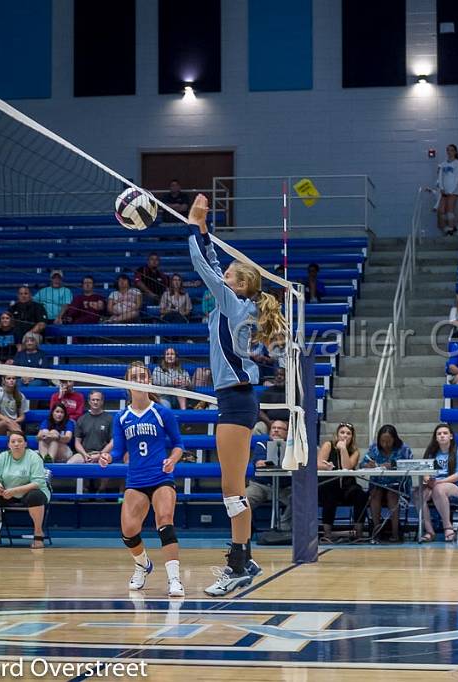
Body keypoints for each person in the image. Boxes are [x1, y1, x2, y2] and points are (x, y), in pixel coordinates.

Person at [187, 194, 286, 597]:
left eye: (228, 274)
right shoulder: (237, 304)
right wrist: (205, 227)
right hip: (237, 400)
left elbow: (201, 265)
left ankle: (238, 564)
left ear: (239, 284)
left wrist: (194, 225)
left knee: (232, 488)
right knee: (233, 486)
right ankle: (243, 556)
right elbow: (211, 265)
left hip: (237, 400)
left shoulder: (233, 303)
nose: (221, 276)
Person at [99, 362, 185, 596]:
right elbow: (118, 451)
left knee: (165, 521)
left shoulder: (162, 411)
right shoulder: (121, 416)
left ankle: (174, 580)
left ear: (149, 381)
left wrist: (173, 460)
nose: (138, 380)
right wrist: (108, 456)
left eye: (142, 376)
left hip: (160, 477)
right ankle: (142, 565)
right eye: (133, 376)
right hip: (136, 481)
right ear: (126, 383)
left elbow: (179, 445)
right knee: (128, 531)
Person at [0, 430, 50, 550]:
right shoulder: (3, 457)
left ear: (25, 444)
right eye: (13, 441)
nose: (16, 444)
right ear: (9, 445)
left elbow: (37, 483)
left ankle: (38, 533)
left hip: (30, 491)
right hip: (7, 492)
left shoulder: (34, 457)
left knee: (35, 496)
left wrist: (14, 491)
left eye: (20, 441)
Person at [417, 424, 458, 543]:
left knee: (439, 489)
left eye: (445, 433)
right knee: (417, 493)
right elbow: (425, 471)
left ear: (451, 436)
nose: (442, 436)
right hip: (434, 484)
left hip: (455, 485)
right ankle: (429, 531)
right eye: (439, 434)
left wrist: (438, 482)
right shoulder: (431, 453)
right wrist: (427, 480)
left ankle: (448, 527)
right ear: (435, 438)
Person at [362, 424, 412, 543]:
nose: (385, 444)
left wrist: (395, 465)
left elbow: (411, 465)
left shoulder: (403, 449)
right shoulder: (374, 448)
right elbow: (362, 463)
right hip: (378, 485)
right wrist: (367, 465)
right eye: (382, 441)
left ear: (394, 439)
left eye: (388, 441)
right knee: (374, 494)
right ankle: (376, 531)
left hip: (398, 486)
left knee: (392, 494)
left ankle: (395, 532)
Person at [248, 419, 294, 531]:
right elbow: (259, 463)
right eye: (274, 428)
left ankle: (283, 527)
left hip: (284, 487)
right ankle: (246, 530)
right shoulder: (262, 445)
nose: (276, 431)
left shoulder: (293, 448)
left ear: (287, 433)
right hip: (261, 485)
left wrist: (269, 463)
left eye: (280, 428)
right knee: (243, 501)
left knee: (298, 499)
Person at [72, 391, 113, 465]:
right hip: (84, 453)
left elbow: (113, 441)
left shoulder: (109, 419)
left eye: (98, 400)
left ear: (102, 402)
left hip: (103, 454)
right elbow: (77, 442)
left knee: (104, 467)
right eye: (93, 400)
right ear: (89, 402)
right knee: (70, 463)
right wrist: (84, 454)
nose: (95, 402)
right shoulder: (82, 419)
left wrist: (100, 454)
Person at [436, 143, 458, 235]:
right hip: (444, 190)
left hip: (453, 191)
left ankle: (451, 229)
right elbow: (440, 177)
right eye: (448, 150)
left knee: (450, 209)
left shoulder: (457, 163)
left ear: (455, 152)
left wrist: (451, 190)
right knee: (441, 209)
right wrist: (442, 188)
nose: (449, 152)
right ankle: (447, 228)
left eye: (451, 150)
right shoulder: (443, 164)